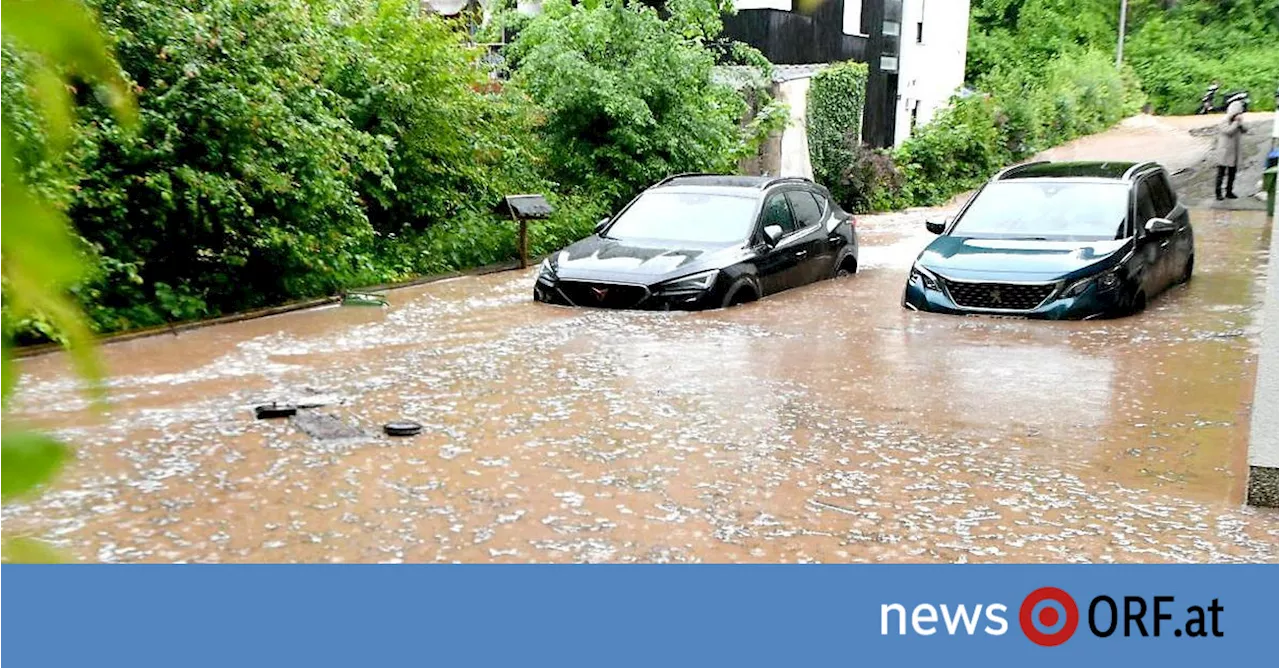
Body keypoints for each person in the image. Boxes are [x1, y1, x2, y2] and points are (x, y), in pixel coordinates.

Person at [1215, 100, 1248, 200]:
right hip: (1224, 151)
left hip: (1234, 152)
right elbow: (1228, 131)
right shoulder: (1224, 120)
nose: (1239, 115)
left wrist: (1241, 124)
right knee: (1221, 173)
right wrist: (1236, 123)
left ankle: (1229, 191)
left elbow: (1245, 130)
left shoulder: (1237, 121)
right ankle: (1218, 192)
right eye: (1238, 113)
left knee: (1232, 173)